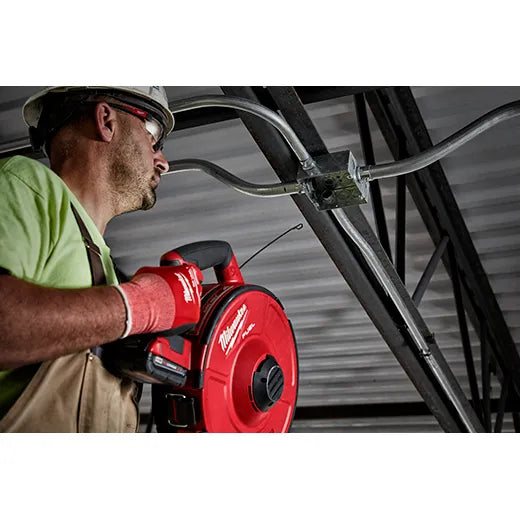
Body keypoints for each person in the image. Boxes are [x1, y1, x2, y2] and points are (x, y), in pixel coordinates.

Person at [0, 86, 203, 432]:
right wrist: (141, 306)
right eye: (153, 138)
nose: (163, 162)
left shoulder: (111, 273)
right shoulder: (24, 184)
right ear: (106, 120)